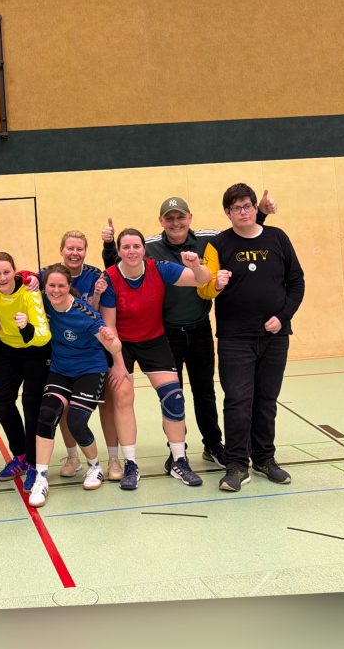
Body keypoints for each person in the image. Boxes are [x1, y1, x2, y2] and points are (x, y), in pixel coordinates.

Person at [101, 191, 276, 474]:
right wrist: (108, 245)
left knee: (204, 392)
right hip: (166, 332)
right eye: (169, 218)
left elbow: (241, 233)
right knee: (173, 395)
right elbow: (119, 266)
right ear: (161, 221)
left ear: (189, 218)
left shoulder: (209, 239)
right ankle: (177, 453)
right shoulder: (149, 247)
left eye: (180, 217)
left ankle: (213, 445)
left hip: (199, 329)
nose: (175, 222)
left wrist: (262, 214)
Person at [197, 184, 305, 492]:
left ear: (256, 208)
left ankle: (264, 458)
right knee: (237, 401)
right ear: (227, 212)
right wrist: (216, 283)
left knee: (266, 400)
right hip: (235, 338)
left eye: (247, 206)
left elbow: (296, 282)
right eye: (236, 208)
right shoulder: (218, 244)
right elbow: (204, 290)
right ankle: (236, 464)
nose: (242, 212)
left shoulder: (278, 238)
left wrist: (282, 317)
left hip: (275, 336)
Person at [102, 229, 212, 490]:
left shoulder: (159, 268)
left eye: (136, 246)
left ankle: (179, 460)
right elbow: (109, 326)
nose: (132, 251)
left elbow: (204, 280)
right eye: (126, 247)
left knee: (174, 397)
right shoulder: (110, 278)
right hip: (121, 344)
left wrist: (196, 266)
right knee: (123, 396)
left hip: (154, 340)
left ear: (144, 249)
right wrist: (118, 364)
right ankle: (130, 463)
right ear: (119, 251)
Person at [29, 264, 122, 507]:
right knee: (46, 415)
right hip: (60, 370)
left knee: (76, 422)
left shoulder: (85, 313)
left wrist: (111, 340)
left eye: (61, 286)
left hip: (90, 370)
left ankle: (95, 466)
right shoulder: (42, 303)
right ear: (45, 287)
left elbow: (115, 348)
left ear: (69, 286)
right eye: (51, 285)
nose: (56, 290)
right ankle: (41, 478)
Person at [50, 231, 123, 480]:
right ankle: (73, 457)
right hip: (63, 354)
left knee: (106, 405)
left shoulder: (96, 276)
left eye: (79, 249)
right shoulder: (51, 275)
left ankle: (114, 459)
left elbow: (96, 316)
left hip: (94, 352)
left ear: (85, 251)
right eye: (69, 248)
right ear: (61, 250)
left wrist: (99, 294)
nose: (74, 253)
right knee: (63, 406)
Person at [0, 251, 52, 487]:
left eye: (7, 272)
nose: (2, 277)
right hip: (7, 349)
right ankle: (20, 455)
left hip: (35, 350)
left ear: (15, 272)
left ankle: (33, 463)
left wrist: (27, 328)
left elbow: (44, 334)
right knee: (0, 401)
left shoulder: (30, 292)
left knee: (31, 405)